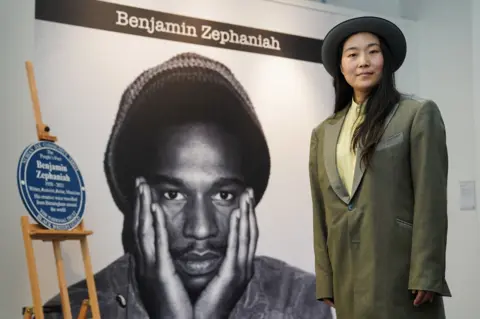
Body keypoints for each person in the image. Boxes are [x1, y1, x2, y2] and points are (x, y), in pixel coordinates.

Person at [43, 52, 333, 319]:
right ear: (137, 198)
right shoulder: (78, 310)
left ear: (247, 200)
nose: (201, 229)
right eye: (173, 194)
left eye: (223, 194)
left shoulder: (299, 301)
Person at [309, 16, 451, 319]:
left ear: (385, 59)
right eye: (352, 54)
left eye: (373, 51)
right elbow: (321, 210)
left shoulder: (416, 114)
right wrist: (325, 279)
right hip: (347, 273)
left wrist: (427, 272)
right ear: (341, 66)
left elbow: (431, 199)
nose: (363, 62)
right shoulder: (324, 132)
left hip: (400, 273)